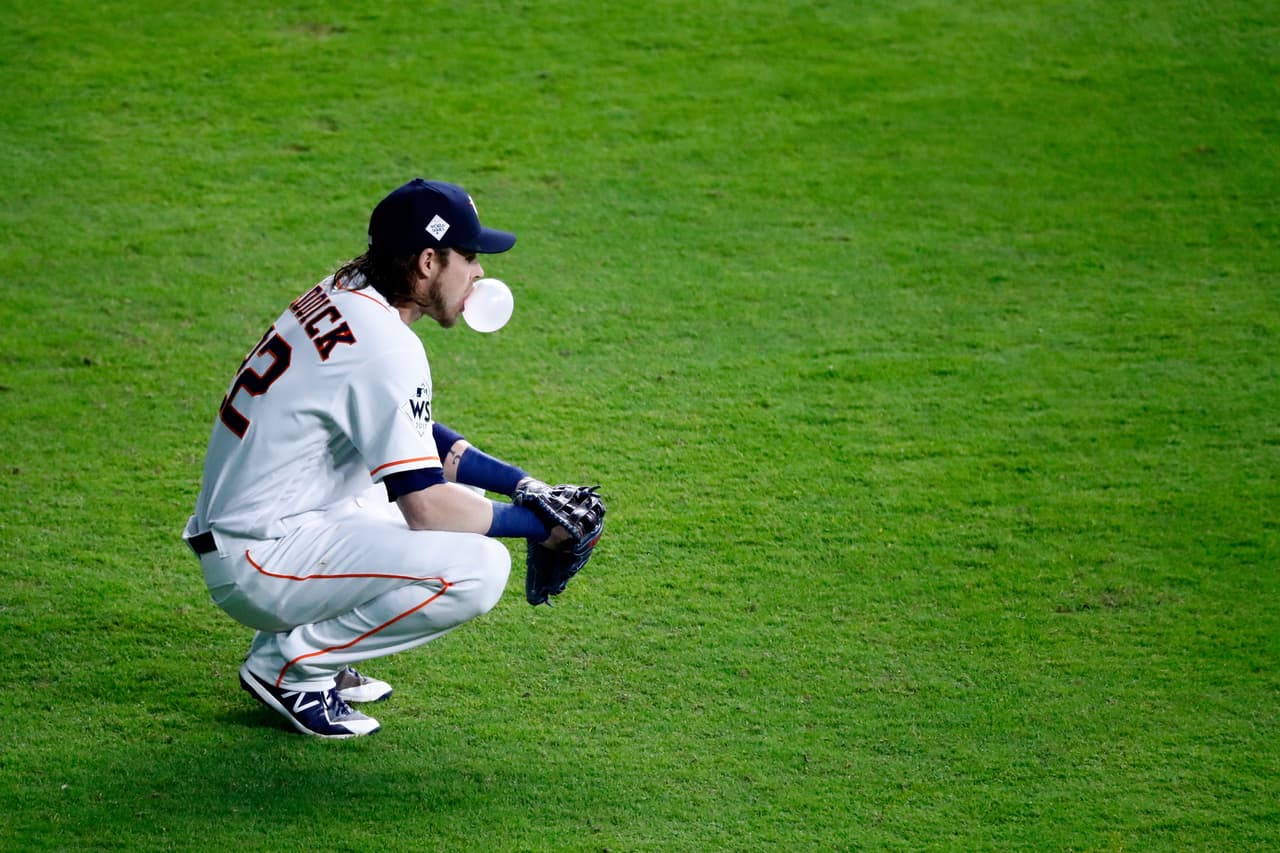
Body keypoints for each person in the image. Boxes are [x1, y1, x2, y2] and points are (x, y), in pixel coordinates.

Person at [184, 179, 572, 739]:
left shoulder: (348, 291)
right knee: (479, 567)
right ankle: (290, 667)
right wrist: (538, 526)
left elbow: (407, 432)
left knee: (460, 502)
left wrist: (522, 485)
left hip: (269, 523)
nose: (480, 273)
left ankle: (293, 646)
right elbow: (426, 512)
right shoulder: (387, 344)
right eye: (469, 257)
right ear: (427, 262)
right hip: (260, 558)